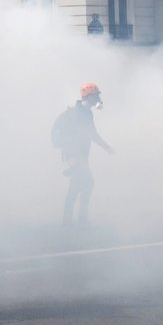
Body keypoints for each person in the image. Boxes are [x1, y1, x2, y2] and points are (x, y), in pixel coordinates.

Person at [51, 83, 115, 226]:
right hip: (76, 156)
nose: (98, 98)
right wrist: (70, 157)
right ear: (88, 96)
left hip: (82, 156)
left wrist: (107, 148)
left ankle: (72, 220)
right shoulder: (75, 114)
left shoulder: (87, 113)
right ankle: (77, 220)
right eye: (96, 95)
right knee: (85, 184)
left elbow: (92, 134)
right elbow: (68, 137)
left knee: (77, 186)